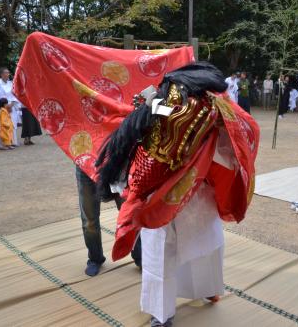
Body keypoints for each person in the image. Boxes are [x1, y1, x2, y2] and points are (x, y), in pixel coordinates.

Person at [95, 62, 259, 326]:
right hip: (162, 193)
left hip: (195, 195)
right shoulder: (158, 105)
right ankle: (161, 313)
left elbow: (236, 144)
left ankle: (206, 289)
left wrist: (215, 136)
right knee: (163, 252)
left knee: (203, 246)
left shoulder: (214, 106)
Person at [76, 166, 142, 276]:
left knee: (130, 215)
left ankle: (140, 257)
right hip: (86, 165)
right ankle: (95, 258)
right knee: (89, 221)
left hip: (117, 162)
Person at [0, 67, 20, 147]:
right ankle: (1, 144)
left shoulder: (11, 83)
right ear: (1, 74)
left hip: (11, 106)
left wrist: (12, 104)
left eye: (8, 73)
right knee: (2, 125)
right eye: (6, 73)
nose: (8, 74)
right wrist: (6, 106)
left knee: (12, 124)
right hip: (2, 108)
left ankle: (12, 141)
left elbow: (14, 94)